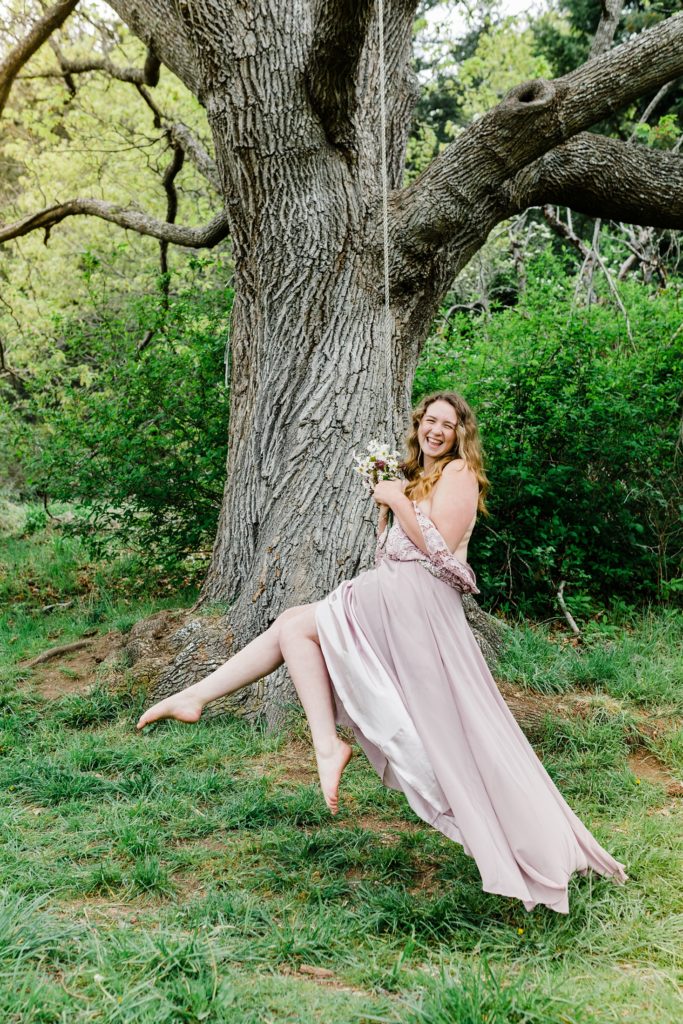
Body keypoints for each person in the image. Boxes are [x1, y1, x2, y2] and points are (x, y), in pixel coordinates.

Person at [136, 390, 627, 914]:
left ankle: (314, 741)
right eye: (429, 422)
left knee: (445, 722)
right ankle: (221, 707)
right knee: (295, 630)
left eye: (448, 424)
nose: (436, 431)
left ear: (462, 433)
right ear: (418, 427)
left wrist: (395, 501)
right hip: (392, 598)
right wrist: (393, 496)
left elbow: (438, 550)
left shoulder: (460, 475)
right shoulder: (420, 478)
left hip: (417, 605)